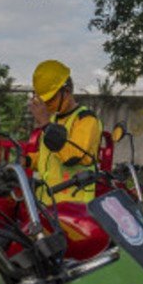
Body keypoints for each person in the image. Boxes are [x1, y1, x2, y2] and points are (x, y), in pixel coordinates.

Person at [28, 59, 102, 204]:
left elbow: (71, 157)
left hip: (74, 206)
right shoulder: (54, 120)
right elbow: (48, 157)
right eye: (44, 101)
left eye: (50, 99)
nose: (47, 105)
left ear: (66, 91)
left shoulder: (86, 120)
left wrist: (44, 124)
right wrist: (28, 160)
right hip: (48, 204)